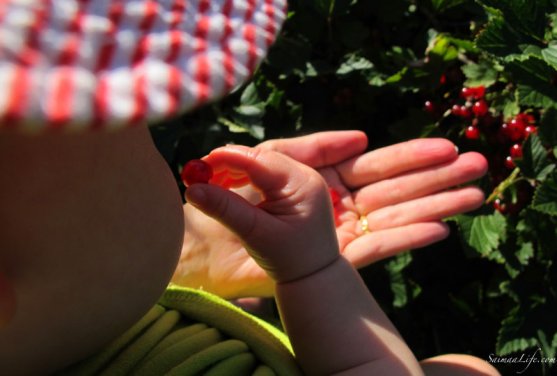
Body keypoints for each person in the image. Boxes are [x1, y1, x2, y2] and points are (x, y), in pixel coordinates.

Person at [0, 1, 500, 374]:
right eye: (145, 139)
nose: (164, 152)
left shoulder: (82, 321)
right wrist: (313, 272)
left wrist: (190, 275)